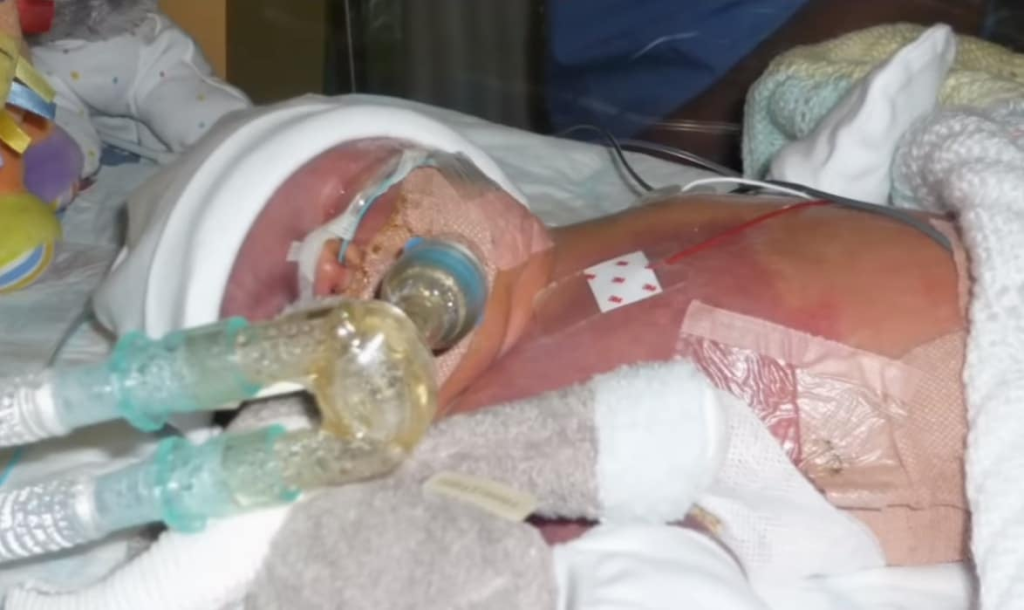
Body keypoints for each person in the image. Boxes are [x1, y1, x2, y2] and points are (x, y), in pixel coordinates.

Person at [93, 94, 967, 572]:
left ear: (435, 151)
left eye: (339, 203)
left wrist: (827, 186)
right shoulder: (500, 437)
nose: (331, 266)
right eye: (286, 308)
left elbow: (778, 223)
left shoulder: (642, 214)